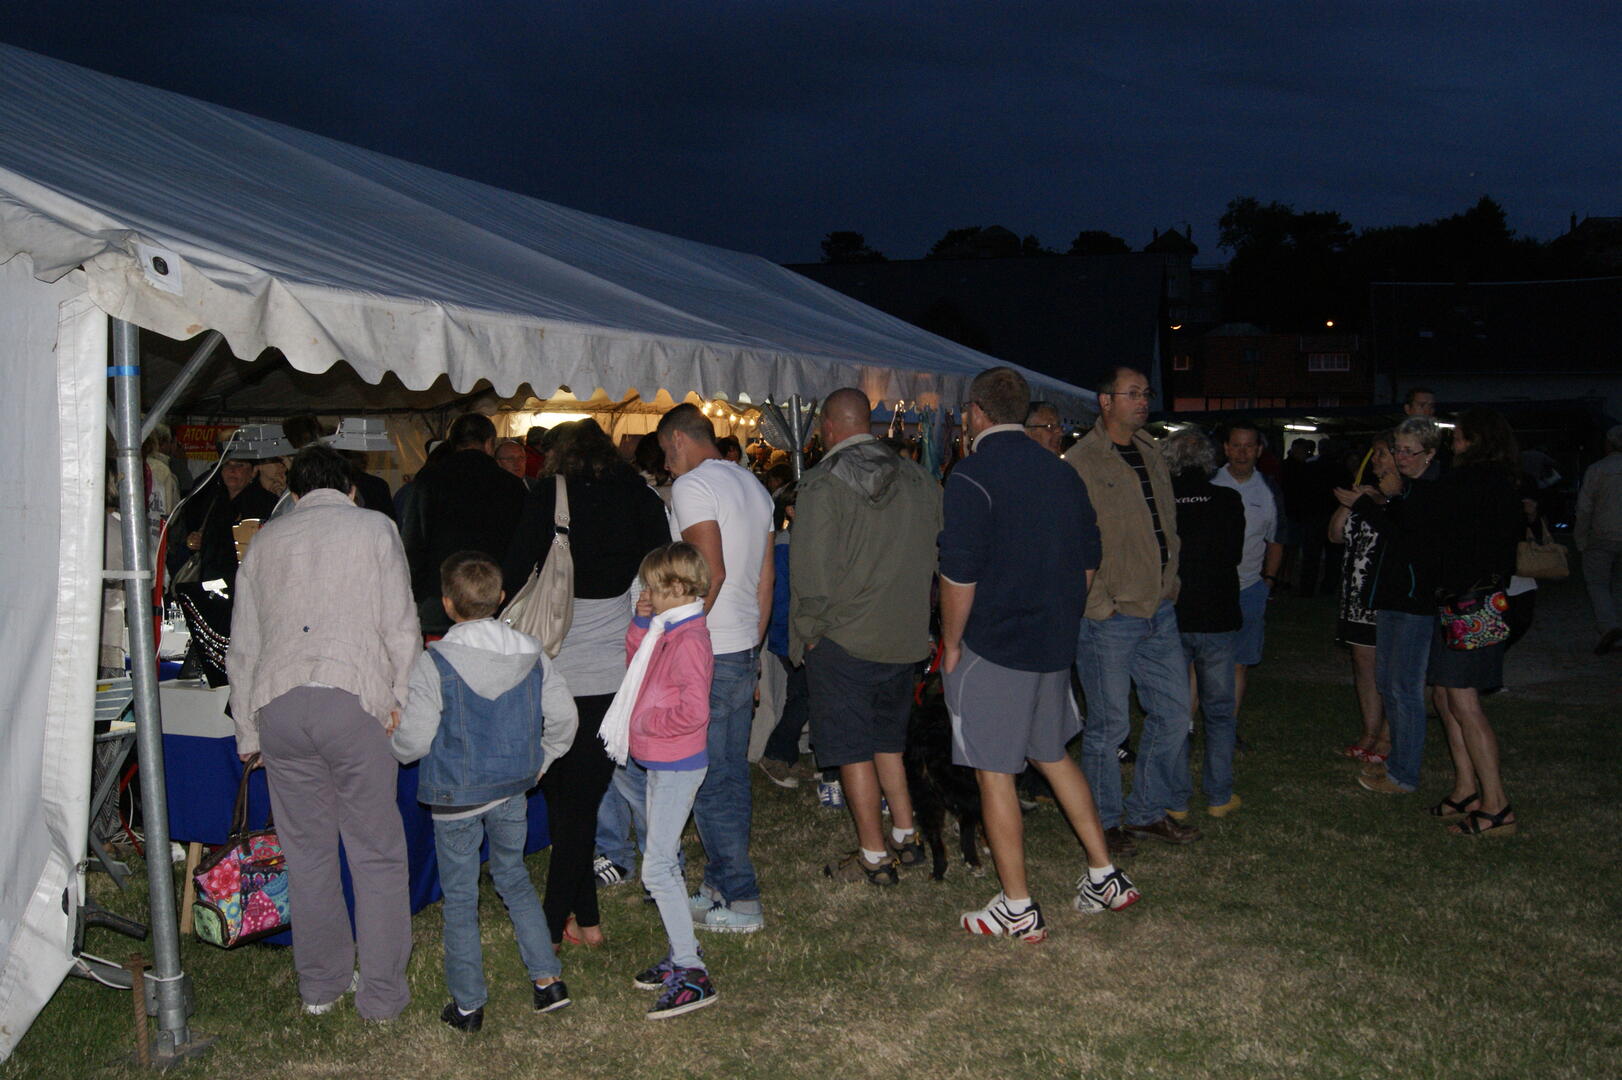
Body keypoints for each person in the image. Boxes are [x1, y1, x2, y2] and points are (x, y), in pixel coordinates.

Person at [226, 445, 420, 1020]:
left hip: (280, 707)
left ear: (294, 492)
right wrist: (402, 702)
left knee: (307, 855)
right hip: (353, 699)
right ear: (351, 487)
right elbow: (401, 626)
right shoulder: (375, 528)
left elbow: (244, 646)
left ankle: (320, 986)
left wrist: (247, 733)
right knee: (376, 854)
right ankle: (380, 996)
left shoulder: (264, 541)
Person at [943, 367, 1135, 941]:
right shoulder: (1062, 472)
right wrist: (1058, 613)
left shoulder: (971, 474)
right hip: (1052, 641)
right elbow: (1088, 560)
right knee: (1051, 754)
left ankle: (1017, 905)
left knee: (994, 772)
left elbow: (959, 573)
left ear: (976, 412)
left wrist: (950, 643)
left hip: (995, 644)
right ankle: (1104, 874)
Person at [390, 551, 578, 1031]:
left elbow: (414, 742)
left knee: (460, 897)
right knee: (513, 877)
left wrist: (394, 738)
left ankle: (469, 1005)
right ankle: (548, 981)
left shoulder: (435, 662)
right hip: (513, 789)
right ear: (501, 598)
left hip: (456, 798)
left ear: (447, 604)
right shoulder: (532, 653)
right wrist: (542, 760)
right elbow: (565, 719)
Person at [501, 420, 671, 949]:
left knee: (566, 801)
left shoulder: (549, 495)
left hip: (550, 664)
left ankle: (551, 926)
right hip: (612, 670)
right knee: (577, 800)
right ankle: (588, 921)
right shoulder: (640, 497)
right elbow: (663, 572)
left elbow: (514, 570)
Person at [790, 388, 941, 885]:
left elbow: (811, 571)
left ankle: (874, 856)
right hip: (904, 635)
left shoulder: (822, 484)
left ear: (829, 426)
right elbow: (936, 554)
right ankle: (905, 834)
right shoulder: (919, 479)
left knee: (853, 747)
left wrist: (808, 633)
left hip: (845, 637)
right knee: (887, 741)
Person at [1065, 367, 1199, 854]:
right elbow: (1074, 539)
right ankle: (1103, 822)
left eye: (1146, 393)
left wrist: (1170, 581)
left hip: (1157, 608)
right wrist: (1098, 603)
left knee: (1174, 713)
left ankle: (1146, 811)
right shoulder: (1082, 460)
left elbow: (1167, 523)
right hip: (1112, 615)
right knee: (1109, 727)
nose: (1144, 401)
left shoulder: (1151, 451)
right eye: (1133, 393)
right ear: (1106, 401)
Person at [655, 403, 775, 933]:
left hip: (711, 648)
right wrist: (753, 643)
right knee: (727, 773)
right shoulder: (753, 486)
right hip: (740, 644)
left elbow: (711, 572)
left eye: (665, 453)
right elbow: (765, 579)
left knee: (708, 778)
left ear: (679, 440)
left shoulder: (692, 486)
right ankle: (719, 884)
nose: (666, 465)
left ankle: (743, 899)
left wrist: (681, 642)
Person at [609, 543, 720, 1018]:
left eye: (652, 587)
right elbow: (639, 666)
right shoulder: (666, 629)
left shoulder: (689, 639)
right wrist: (640, 622)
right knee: (664, 860)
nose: (647, 594)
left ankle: (693, 973)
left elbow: (694, 711)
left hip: (677, 761)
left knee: (656, 869)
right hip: (662, 761)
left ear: (677, 586)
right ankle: (681, 951)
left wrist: (644, 722)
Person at [1424, 410, 1524, 834]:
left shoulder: (1464, 484)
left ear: (1474, 440)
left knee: (1463, 701)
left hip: (1468, 602)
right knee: (1447, 696)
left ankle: (1496, 805)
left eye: (1459, 437)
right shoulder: (1505, 485)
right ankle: (1467, 789)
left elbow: (1435, 537)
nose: (1454, 444)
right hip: (1482, 598)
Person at [1335, 417, 1444, 796]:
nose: (1400, 458)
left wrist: (1371, 504)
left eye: (1409, 451)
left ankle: (1403, 774)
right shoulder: (1405, 490)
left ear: (1430, 454)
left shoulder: (1430, 491)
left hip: (1415, 602)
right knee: (1389, 684)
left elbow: (1409, 541)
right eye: (1397, 450)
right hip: (1390, 598)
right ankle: (1395, 764)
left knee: (1405, 689)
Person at [1163, 428, 1245, 817]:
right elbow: (1233, 554)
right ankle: (1218, 795)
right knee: (1219, 710)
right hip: (1217, 614)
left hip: (1174, 614)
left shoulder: (1163, 501)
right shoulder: (1228, 500)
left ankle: (1177, 800)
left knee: (1176, 710)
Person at [403, 413, 528, 637]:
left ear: (453, 443)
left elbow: (413, 540)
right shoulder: (512, 485)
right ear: (489, 444)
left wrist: (417, 593)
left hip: (441, 596)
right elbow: (522, 548)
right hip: (495, 598)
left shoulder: (428, 480)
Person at [1210, 421, 1284, 728]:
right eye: (1236, 445)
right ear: (1226, 448)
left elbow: (1276, 539)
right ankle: (1186, 727)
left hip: (1250, 587)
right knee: (1202, 661)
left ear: (1259, 450)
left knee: (1239, 662)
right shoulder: (1210, 483)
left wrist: (1268, 581)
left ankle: (1228, 727)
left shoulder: (1268, 489)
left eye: (1249, 446)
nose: (1242, 453)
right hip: (1211, 588)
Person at [1327, 434, 1394, 764]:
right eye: (1375, 453)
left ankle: (1387, 735)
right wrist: (1349, 502)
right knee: (1363, 663)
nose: (1376, 459)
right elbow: (1335, 535)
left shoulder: (1402, 497)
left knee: (1391, 667)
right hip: (1357, 596)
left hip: (1387, 595)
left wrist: (1373, 500)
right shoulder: (1363, 495)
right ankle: (1369, 731)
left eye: (1382, 453)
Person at [1575, 424, 1622, 655]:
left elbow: (1584, 507)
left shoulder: (1598, 469)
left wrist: (1580, 537)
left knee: (1598, 584)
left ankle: (1609, 626)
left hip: (1602, 533)